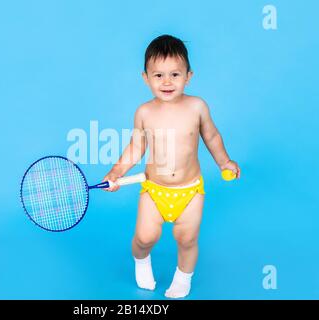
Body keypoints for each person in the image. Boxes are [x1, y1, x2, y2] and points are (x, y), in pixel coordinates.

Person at [103, 34, 241, 298]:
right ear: (146, 78)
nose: (167, 82)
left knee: (186, 239)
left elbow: (211, 136)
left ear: (188, 76)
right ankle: (141, 261)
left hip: (190, 191)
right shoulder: (144, 112)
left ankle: (183, 277)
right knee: (145, 237)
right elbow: (136, 148)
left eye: (175, 74)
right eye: (158, 76)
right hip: (154, 189)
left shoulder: (197, 106)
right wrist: (116, 172)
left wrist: (225, 161)